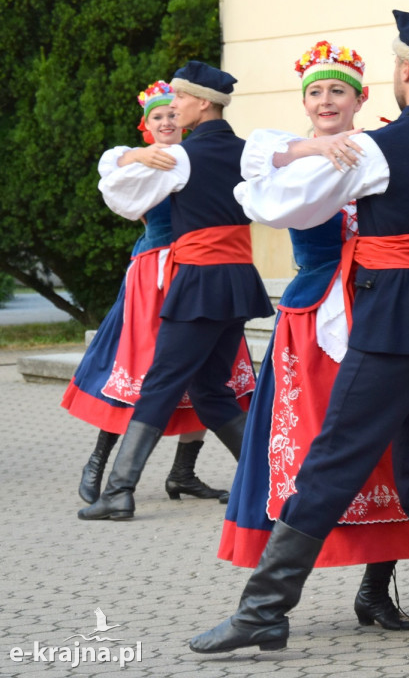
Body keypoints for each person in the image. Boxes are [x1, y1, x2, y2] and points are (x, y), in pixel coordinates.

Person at [189, 10, 409, 654]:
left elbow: (278, 204)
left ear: (404, 72)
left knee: (332, 459)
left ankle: (262, 612)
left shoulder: (377, 147)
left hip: (393, 314)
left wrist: (272, 172)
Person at [78, 61, 274, 521]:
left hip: (200, 280)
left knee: (162, 381)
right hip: (237, 279)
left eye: (181, 98)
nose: (176, 107)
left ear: (202, 102)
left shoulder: (183, 157)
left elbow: (122, 200)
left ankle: (120, 491)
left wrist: (129, 158)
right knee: (210, 391)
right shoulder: (249, 152)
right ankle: (268, 479)